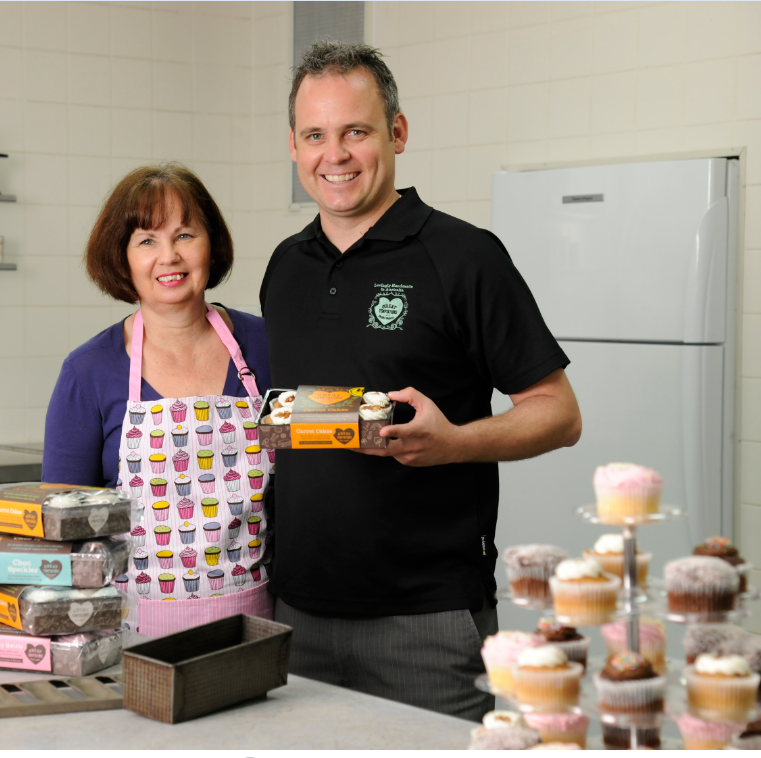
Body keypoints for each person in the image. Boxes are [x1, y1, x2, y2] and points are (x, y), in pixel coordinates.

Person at [260, 41, 583, 720]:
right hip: (294, 612)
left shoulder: (464, 257)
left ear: (397, 132)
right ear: (293, 146)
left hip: (426, 620)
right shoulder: (284, 268)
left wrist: (454, 442)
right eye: (315, 135)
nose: (335, 155)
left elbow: (557, 413)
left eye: (356, 131)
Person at [44, 163, 275, 636]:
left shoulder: (268, 346)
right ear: (122, 258)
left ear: (211, 244)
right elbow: (62, 530)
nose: (169, 256)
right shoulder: (88, 371)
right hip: (131, 633)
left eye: (185, 235)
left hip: (260, 623)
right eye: (147, 241)